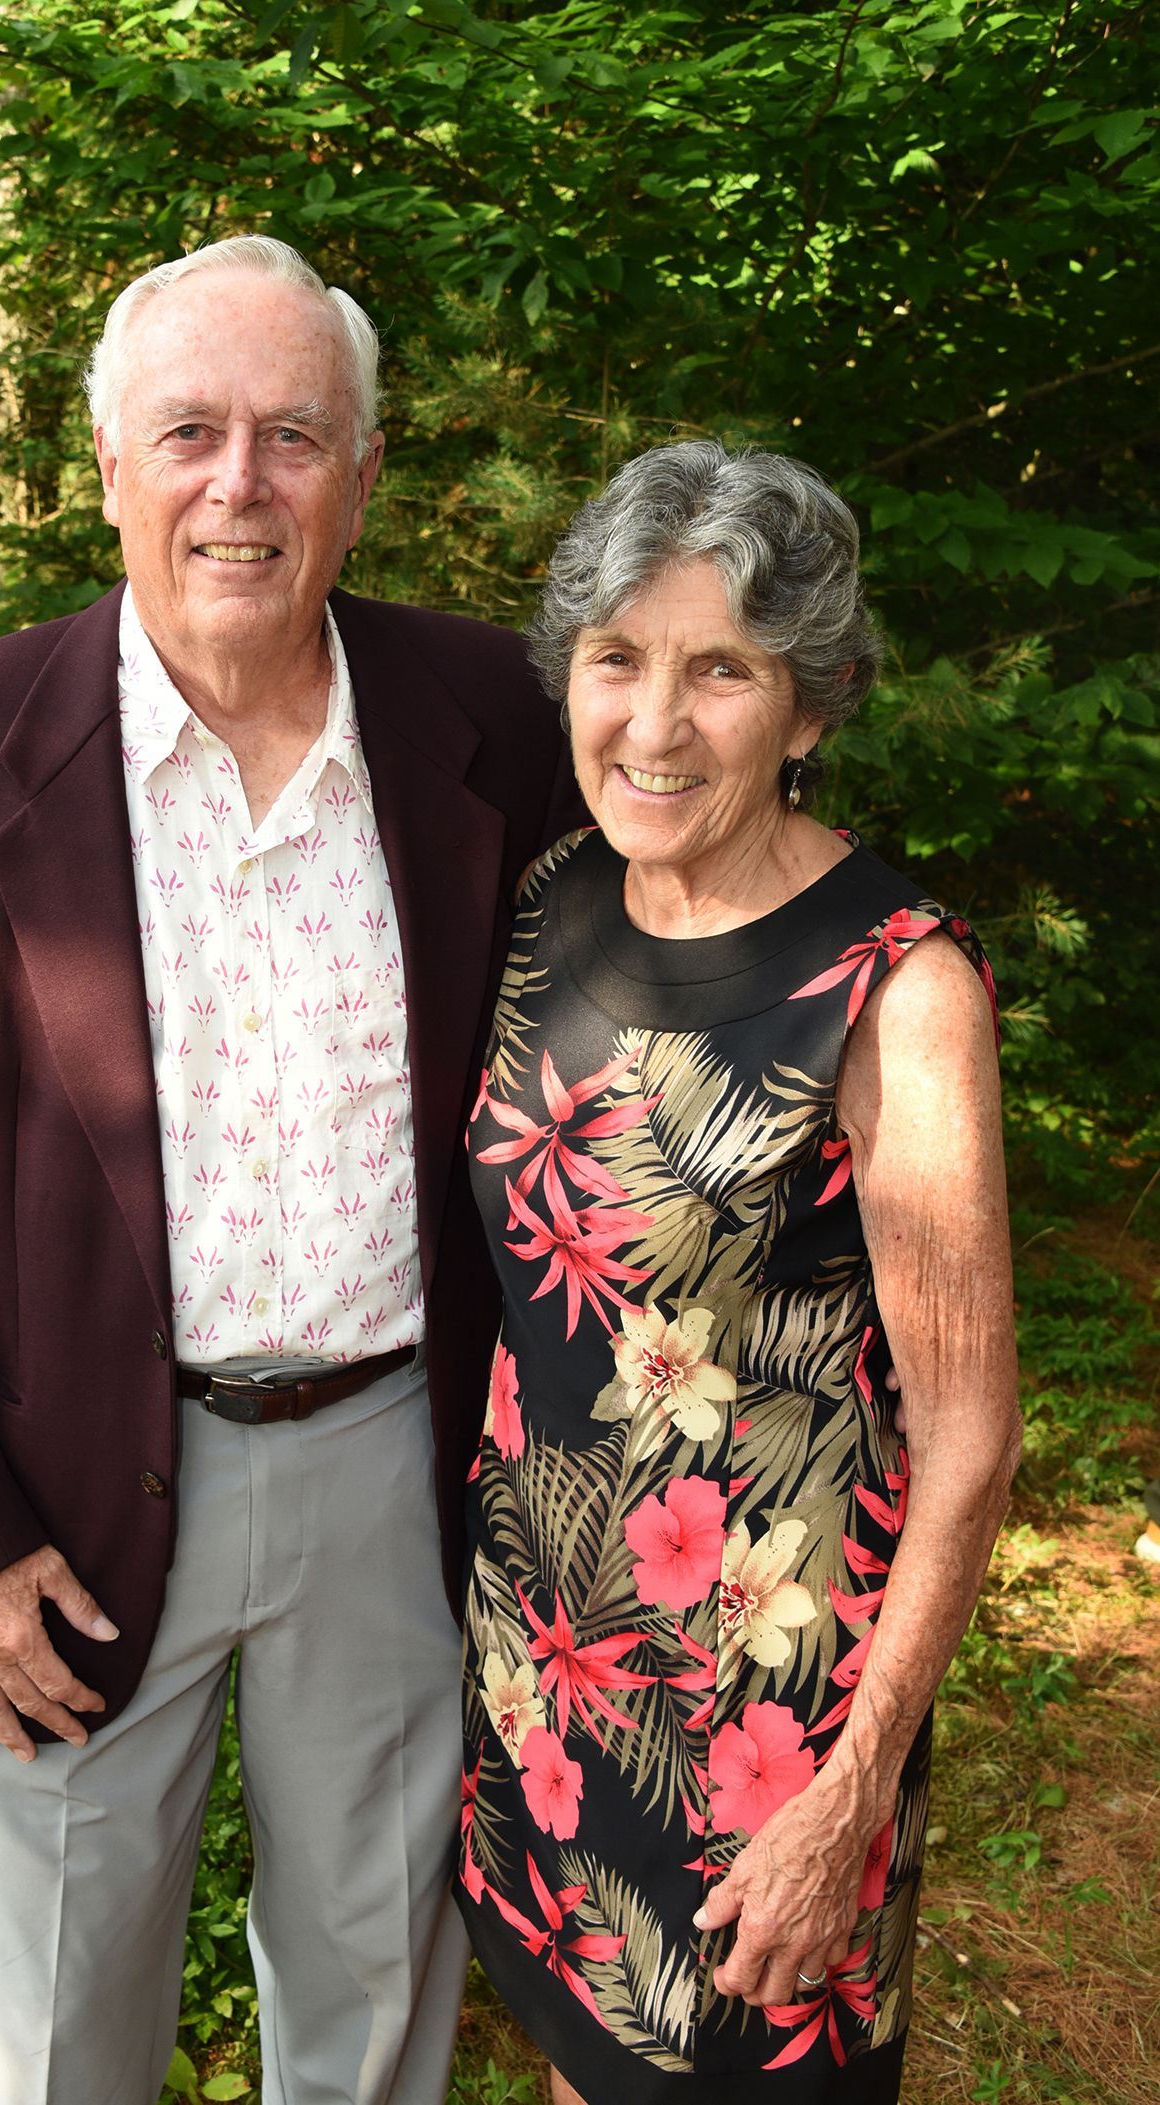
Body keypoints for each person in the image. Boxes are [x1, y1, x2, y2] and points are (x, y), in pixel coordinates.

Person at [0, 235, 578, 2105]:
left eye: (293, 436)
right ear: (108, 466)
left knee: (374, 2004)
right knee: (54, 2040)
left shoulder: (504, 722)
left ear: (362, 475)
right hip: (55, 1504)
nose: (241, 484)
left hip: (397, 1471)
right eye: (190, 434)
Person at [456, 439, 1022, 2103]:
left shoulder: (896, 992)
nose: (653, 721)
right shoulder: (553, 899)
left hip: (767, 1734)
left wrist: (852, 1789)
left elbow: (973, 1434)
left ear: (812, 705)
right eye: (617, 658)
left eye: (721, 670)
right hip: (552, 1672)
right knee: (584, 2060)